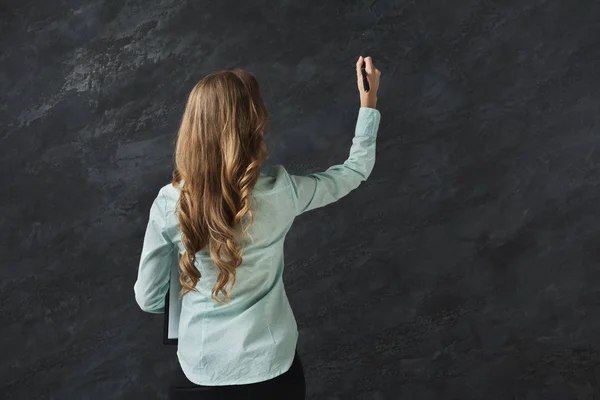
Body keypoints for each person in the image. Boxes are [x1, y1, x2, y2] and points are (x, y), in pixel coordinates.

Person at [133, 55, 382, 399]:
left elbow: (148, 299)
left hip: (201, 372)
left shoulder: (169, 203)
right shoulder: (283, 191)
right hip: (274, 371)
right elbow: (353, 172)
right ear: (253, 127)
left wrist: (193, 280)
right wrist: (368, 103)